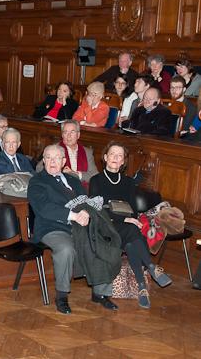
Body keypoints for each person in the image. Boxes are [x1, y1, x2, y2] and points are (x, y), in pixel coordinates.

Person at [28, 144, 116, 314]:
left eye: (56, 158)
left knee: (102, 241)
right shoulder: (37, 181)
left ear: (63, 161)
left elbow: (85, 201)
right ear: (43, 161)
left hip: (79, 225)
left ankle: (100, 293)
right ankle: (61, 296)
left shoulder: (74, 180)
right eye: (48, 158)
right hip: (52, 227)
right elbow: (44, 208)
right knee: (66, 249)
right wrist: (73, 215)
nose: (52, 161)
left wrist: (86, 213)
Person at [88, 142, 172, 308]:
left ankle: (142, 287)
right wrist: (123, 219)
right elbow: (97, 209)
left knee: (132, 241)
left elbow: (133, 211)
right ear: (105, 157)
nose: (115, 158)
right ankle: (151, 267)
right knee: (132, 231)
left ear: (123, 162)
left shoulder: (127, 182)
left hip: (125, 228)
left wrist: (128, 219)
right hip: (104, 226)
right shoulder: (96, 180)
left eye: (119, 156)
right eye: (112, 154)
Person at [36, 120, 98, 186]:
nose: (69, 136)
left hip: (81, 188)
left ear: (78, 135)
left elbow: (95, 175)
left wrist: (77, 174)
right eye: (65, 132)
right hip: (60, 187)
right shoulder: (55, 149)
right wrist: (59, 172)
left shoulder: (87, 152)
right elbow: (39, 168)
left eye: (72, 132)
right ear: (62, 135)